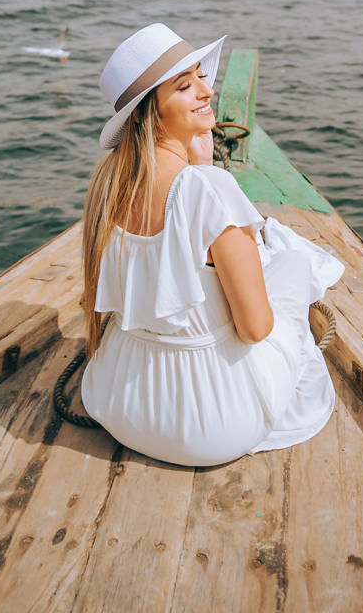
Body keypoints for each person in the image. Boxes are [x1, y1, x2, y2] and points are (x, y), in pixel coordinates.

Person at [80, 23, 345, 467]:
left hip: (117, 404)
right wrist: (207, 172)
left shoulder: (107, 183)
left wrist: (198, 160)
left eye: (202, 75)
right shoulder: (209, 189)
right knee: (295, 265)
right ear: (151, 113)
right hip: (210, 425)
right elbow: (255, 329)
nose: (207, 91)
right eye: (185, 86)